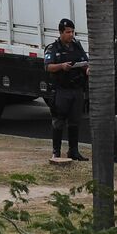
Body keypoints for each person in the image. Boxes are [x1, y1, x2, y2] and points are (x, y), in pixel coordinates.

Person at [43, 19, 89, 163]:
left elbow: (84, 61)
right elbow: (47, 67)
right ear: (61, 32)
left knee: (75, 121)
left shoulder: (76, 46)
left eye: (72, 31)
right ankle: (56, 152)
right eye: (68, 32)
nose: (71, 34)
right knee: (58, 121)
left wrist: (87, 69)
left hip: (76, 89)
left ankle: (73, 151)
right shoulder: (53, 48)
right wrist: (61, 66)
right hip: (61, 89)